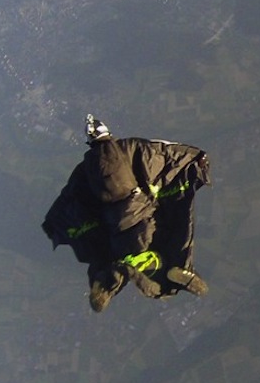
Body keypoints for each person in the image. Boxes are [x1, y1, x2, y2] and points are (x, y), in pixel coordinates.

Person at [41, 114, 211, 312]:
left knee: (109, 260)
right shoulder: (130, 150)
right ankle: (180, 275)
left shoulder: (87, 171)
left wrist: (57, 224)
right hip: (136, 224)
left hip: (122, 231)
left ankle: (105, 285)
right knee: (174, 237)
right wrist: (195, 161)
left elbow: (71, 201)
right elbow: (163, 155)